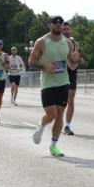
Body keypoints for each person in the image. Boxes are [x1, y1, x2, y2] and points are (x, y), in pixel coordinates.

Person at [29, 15, 71, 157]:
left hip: (63, 82)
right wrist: (44, 65)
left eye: (60, 23)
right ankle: (41, 126)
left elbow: (72, 62)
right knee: (51, 115)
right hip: (47, 83)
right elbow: (31, 61)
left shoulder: (68, 43)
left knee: (59, 115)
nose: (58, 26)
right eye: (55, 23)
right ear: (50, 25)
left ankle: (53, 146)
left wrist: (77, 60)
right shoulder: (41, 42)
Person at [62, 21, 85, 135]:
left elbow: (77, 61)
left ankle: (67, 126)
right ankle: (58, 123)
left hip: (71, 75)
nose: (66, 31)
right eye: (64, 29)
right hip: (60, 75)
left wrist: (77, 54)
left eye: (68, 29)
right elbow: (70, 63)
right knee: (62, 103)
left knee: (70, 100)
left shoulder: (74, 43)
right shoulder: (58, 43)